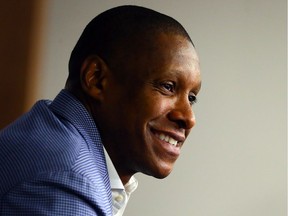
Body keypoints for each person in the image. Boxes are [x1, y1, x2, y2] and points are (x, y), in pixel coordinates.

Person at [0, 5, 201, 216]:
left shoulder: (51, 132)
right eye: (168, 87)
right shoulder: (67, 180)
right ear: (96, 79)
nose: (188, 117)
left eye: (191, 98)